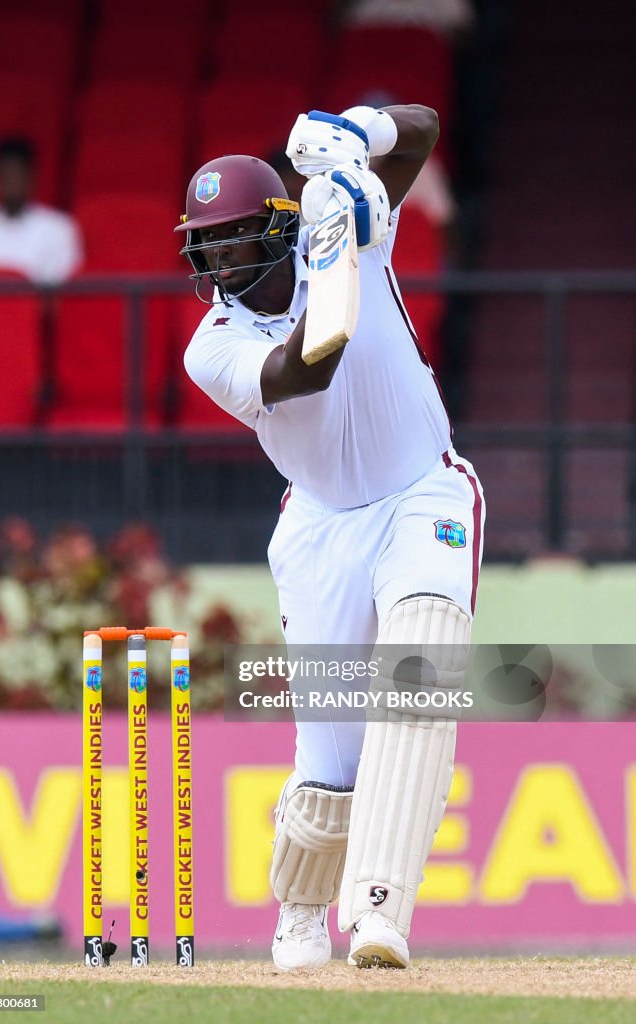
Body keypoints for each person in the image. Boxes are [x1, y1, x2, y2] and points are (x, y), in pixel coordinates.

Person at [176, 104, 485, 971]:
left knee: (417, 676)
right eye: (207, 244)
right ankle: (301, 913)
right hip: (317, 528)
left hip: (422, 487)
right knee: (331, 760)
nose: (221, 261)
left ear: (274, 226)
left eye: (235, 238)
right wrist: (333, 246)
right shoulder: (214, 345)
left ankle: (380, 910)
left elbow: (422, 128)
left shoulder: (351, 225)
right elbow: (310, 363)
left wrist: (358, 137)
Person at [0, 136, 83, 284]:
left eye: (17, 174)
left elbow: (61, 290)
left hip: (36, 307)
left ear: (33, 178)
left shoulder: (59, 228)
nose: (11, 181)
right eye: (5, 174)